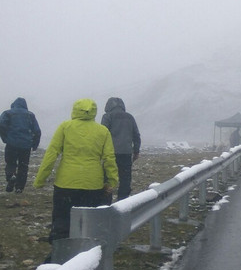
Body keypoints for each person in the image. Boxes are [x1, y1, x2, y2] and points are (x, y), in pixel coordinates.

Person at [33, 99, 118, 243]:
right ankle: (87, 252)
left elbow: (51, 154)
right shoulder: (103, 131)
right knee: (89, 223)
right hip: (93, 184)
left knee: (62, 220)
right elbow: (109, 158)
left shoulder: (65, 127)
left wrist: (40, 179)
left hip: (65, 184)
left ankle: (60, 252)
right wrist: (112, 181)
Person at [101, 97, 141, 201]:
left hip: (111, 153)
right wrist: (136, 151)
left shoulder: (107, 116)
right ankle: (123, 201)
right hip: (126, 153)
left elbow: (102, 134)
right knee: (125, 179)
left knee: (108, 178)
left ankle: (105, 202)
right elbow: (136, 135)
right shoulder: (130, 117)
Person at [0, 98, 42, 193]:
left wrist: (5, 138)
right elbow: (37, 131)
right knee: (23, 166)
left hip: (11, 144)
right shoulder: (30, 115)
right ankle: (19, 187)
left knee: (11, 163)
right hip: (26, 146)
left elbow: (1, 125)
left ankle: (11, 176)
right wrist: (34, 145)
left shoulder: (8, 113)